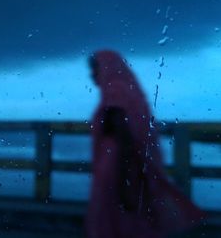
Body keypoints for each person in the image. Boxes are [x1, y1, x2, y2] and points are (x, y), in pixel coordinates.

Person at [85, 50, 204, 238]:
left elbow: (124, 137)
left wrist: (124, 184)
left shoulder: (116, 91)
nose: (92, 75)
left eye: (95, 69)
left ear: (106, 68)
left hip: (116, 168)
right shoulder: (126, 90)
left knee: (117, 220)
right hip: (125, 167)